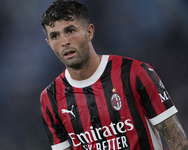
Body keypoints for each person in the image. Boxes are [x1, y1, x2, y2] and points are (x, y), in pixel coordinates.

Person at [40, 0, 188, 150]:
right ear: (49, 43)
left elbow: (179, 142)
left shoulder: (135, 73)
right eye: (55, 36)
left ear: (89, 31)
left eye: (70, 31)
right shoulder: (50, 98)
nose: (64, 41)